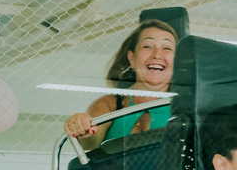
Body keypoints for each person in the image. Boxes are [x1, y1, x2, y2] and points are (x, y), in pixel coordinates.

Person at [63, 20, 178, 150]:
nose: (157, 55)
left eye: (167, 48)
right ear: (132, 58)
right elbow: (90, 142)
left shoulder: (186, 107)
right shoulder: (109, 104)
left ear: (177, 61)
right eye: (147, 46)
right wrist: (82, 127)